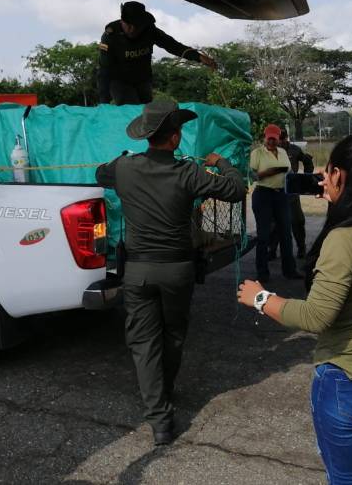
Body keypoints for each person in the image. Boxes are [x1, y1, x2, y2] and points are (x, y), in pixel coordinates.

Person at [237, 135, 352, 484]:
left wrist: (260, 298)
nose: (323, 177)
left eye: (329, 171)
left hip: (349, 379)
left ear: (340, 175)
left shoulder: (343, 240)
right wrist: (338, 202)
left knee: (345, 478)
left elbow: (317, 316)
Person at [96, 100, 245, 445]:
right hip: (178, 270)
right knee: (173, 334)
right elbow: (236, 190)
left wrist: (120, 163)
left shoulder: (124, 168)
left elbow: (100, 174)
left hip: (138, 271)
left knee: (144, 342)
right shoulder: (190, 173)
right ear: (175, 138)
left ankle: (160, 418)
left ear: (147, 136)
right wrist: (219, 162)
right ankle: (165, 392)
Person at [97, 1, 217, 105]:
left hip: (143, 79)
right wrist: (104, 103)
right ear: (122, 21)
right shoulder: (110, 36)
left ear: (143, 24)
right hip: (120, 81)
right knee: (132, 111)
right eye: (128, 25)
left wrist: (199, 57)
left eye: (136, 26)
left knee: (147, 112)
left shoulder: (150, 31)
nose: (132, 30)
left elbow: (173, 45)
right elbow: (104, 71)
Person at [250, 124, 303, 282]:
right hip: (263, 195)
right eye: (270, 139)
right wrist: (269, 172)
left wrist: (297, 181)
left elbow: (289, 172)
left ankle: (289, 270)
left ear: (279, 138)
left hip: (281, 195)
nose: (272, 142)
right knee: (263, 236)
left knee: (286, 234)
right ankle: (262, 273)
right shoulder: (257, 153)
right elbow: (252, 176)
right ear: (265, 138)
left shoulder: (282, 152)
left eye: (275, 139)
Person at [268, 129, 314, 260]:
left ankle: (301, 249)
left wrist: (306, 177)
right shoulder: (270, 150)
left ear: (286, 138)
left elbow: (307, 160)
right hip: (275, 190)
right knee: (274, 222)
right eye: (278, 139)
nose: (280, 142)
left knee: (297, 221)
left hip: (292, 191)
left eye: (282, 139)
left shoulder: (295, 150)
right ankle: (272, 250)